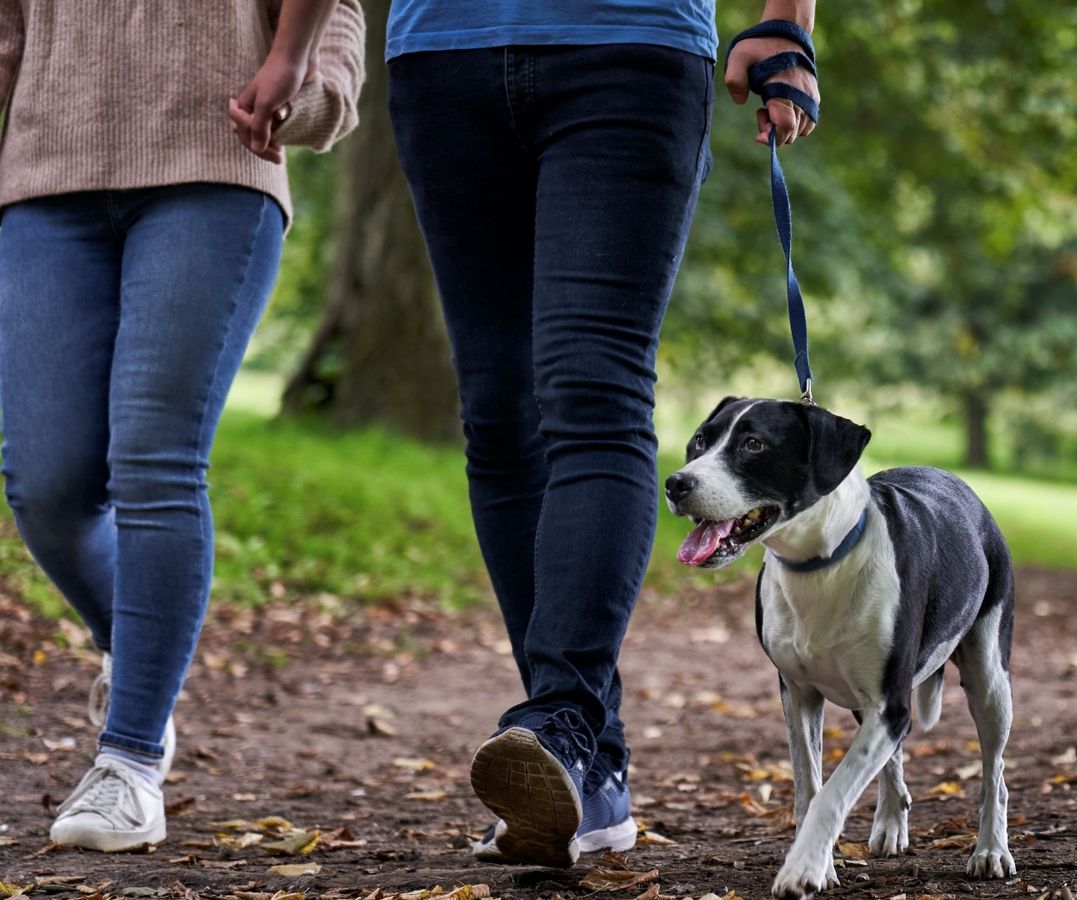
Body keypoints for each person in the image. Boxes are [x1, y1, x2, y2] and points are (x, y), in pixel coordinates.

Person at [385, 0, 820, 867]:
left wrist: (784, 23)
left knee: (592, 389)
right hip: (440, 49)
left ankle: (563, 723)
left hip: (626, 39)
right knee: (500, 418)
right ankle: (585, 759)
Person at [0, 0, 364, 851]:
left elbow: (331, 13)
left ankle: (129, 761)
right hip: (44, 177)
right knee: (44, 482)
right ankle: (140, 656)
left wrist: (306, 90)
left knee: (154, 458)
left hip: (212, 167)